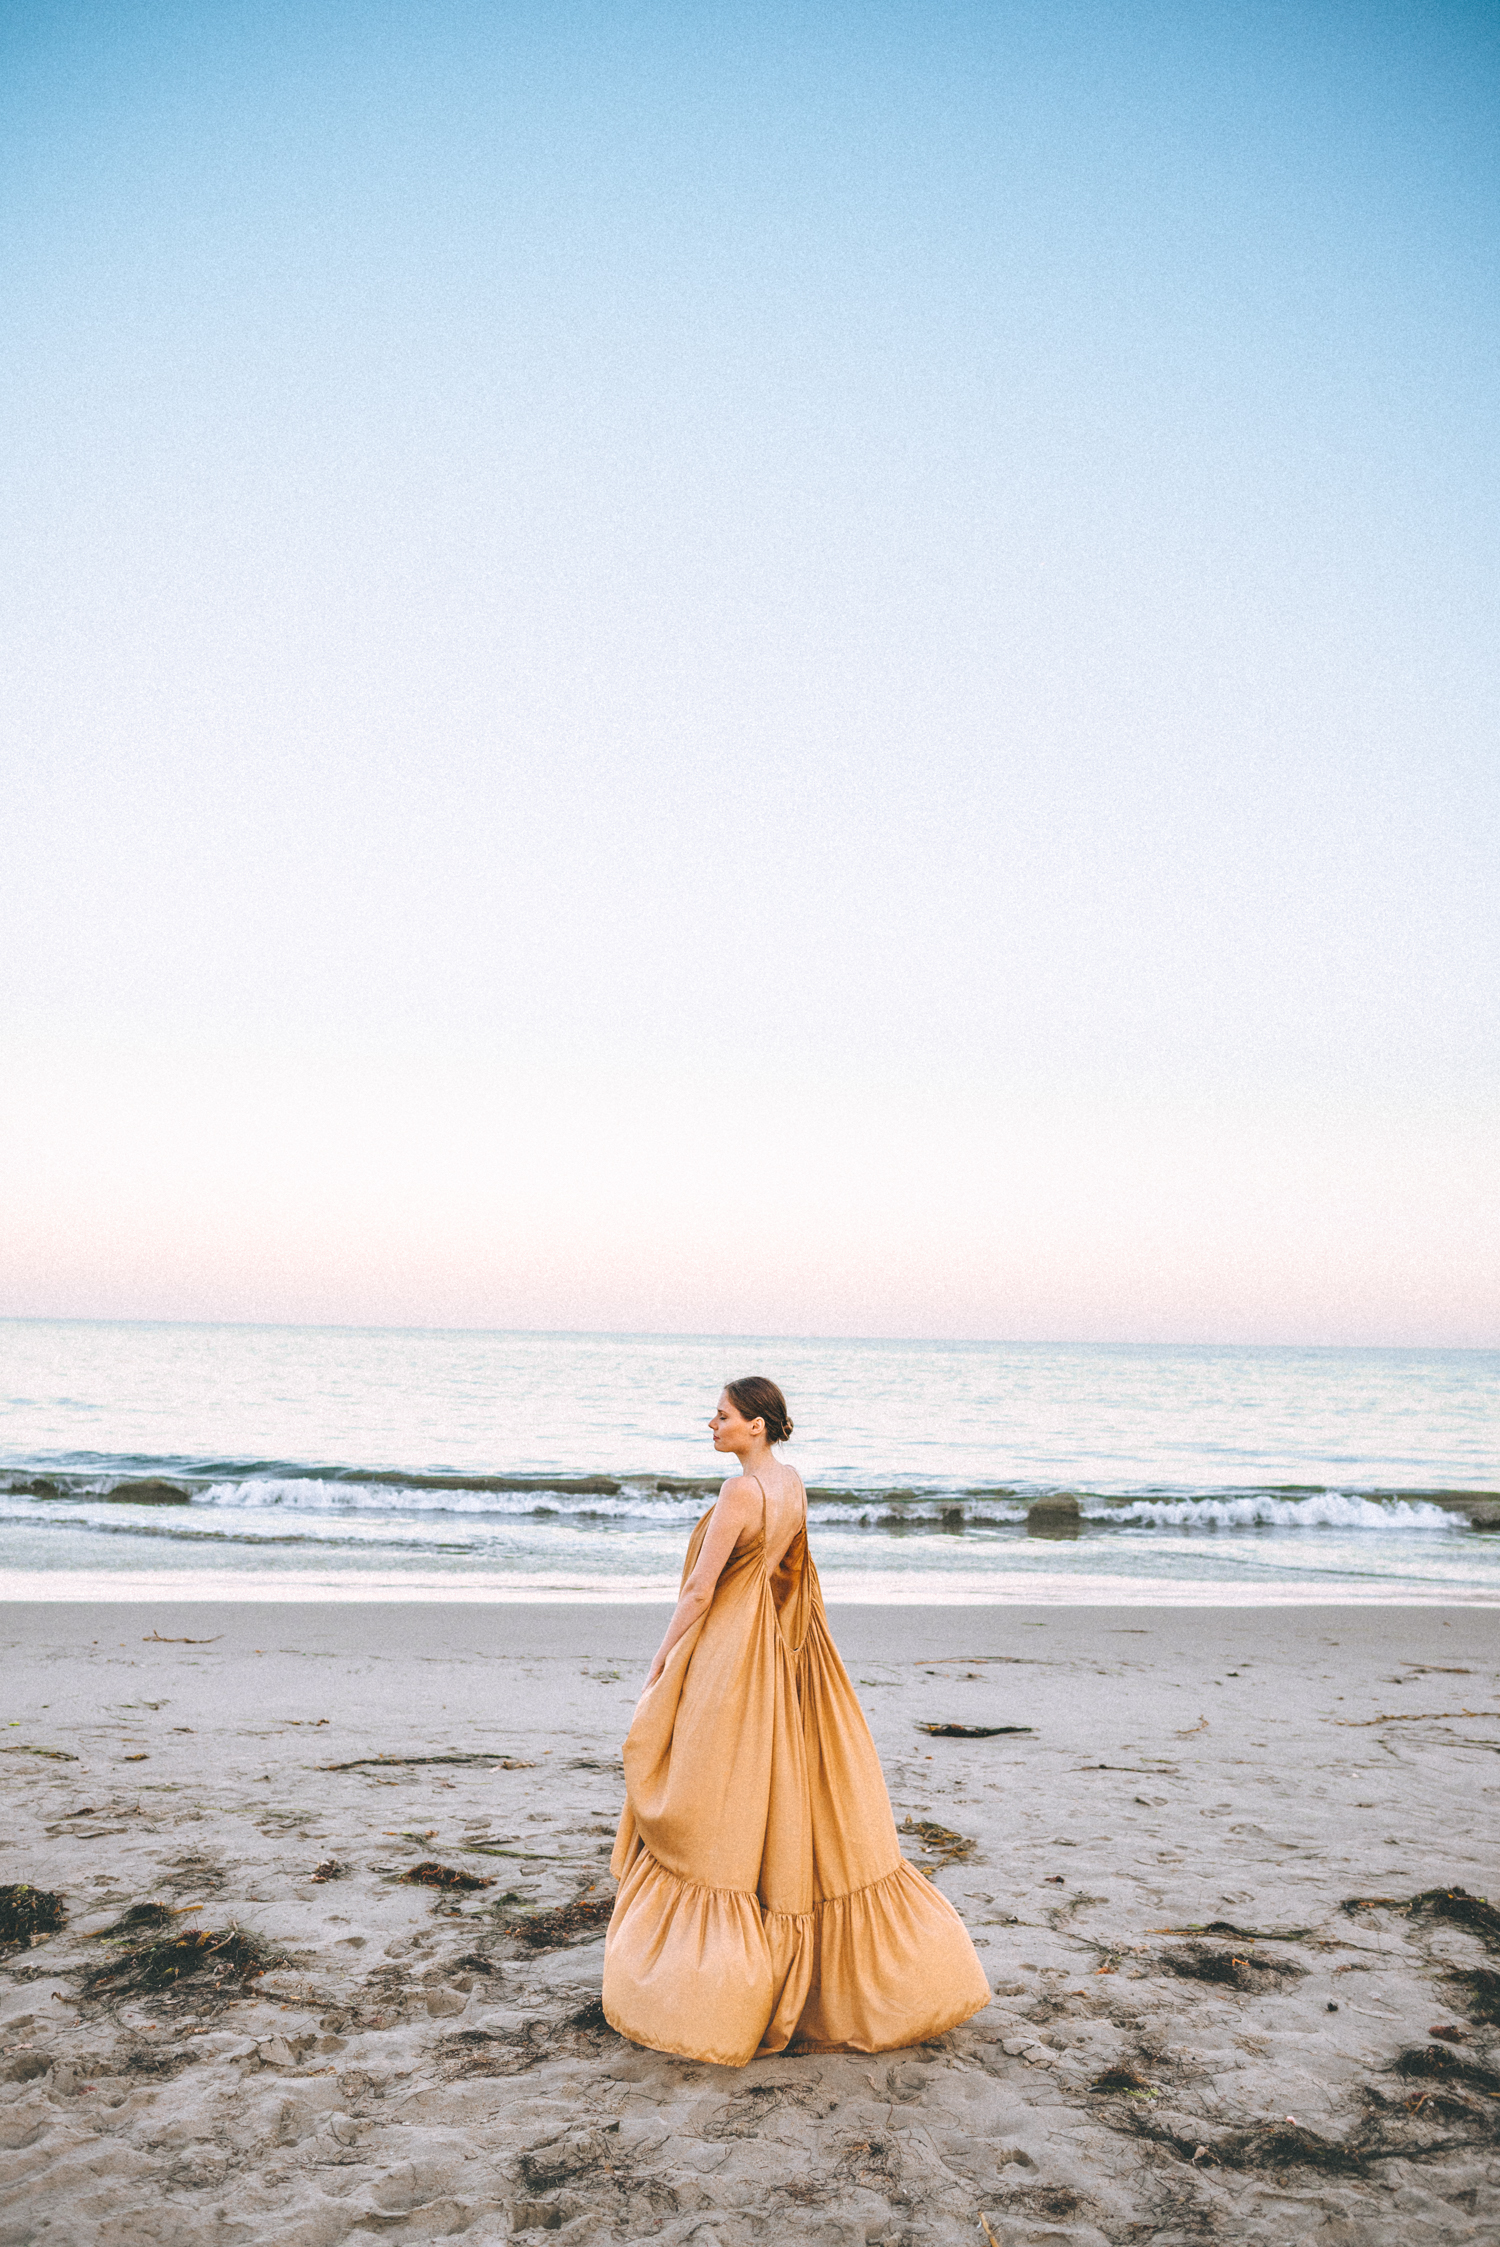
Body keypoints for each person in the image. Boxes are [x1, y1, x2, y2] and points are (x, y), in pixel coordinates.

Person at [602, 1376, 991, 2066]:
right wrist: (796, 1664)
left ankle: (710, 1987)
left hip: (730, 1654)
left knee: (712, 1798)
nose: (710, 1423)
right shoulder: (793, 1483)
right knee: (773, 1797)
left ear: (756, 1425)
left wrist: (662, 1661)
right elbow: (795, 1583)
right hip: (780, 1654)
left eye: (721, 1415)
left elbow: (700, 1588)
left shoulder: (739, 1492)